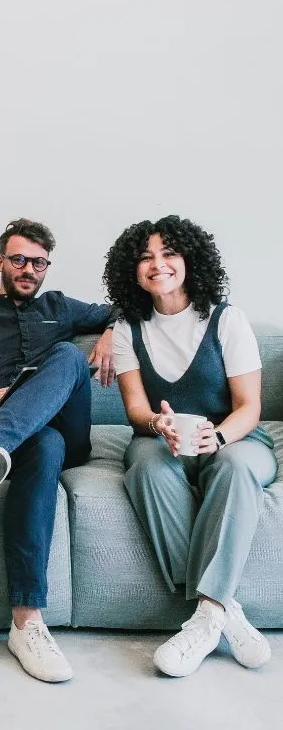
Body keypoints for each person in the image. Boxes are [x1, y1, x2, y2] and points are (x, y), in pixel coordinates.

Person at [0, 218, 116, 683]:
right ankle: (27, 622)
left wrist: (113, 331)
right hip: (26, 437)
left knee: (71, 357)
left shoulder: (61, 307)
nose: (28, 269)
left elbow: (125, 307)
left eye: (38, 262)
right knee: (45, 445)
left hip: (61, 424)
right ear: (0, 262)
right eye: (19, 259)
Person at [103, 215, 277, 678]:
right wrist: (158, 423)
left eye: (168, 253)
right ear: (132, 271)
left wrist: (216, 437)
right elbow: (136, 411)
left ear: (189, 260)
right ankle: (224, 612)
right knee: (145, 466)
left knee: (235, 467)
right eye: (145, 258)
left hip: (234, 437)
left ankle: (204, 618)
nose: (157, 265)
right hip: (162, 440)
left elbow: (249, 407)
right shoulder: (127, 328)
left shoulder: (226, 318)